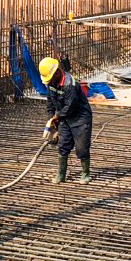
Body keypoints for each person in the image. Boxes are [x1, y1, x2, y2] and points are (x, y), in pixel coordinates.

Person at [39, 56, 93, 184]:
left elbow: (71, 106)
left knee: (81, 147)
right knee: (63, 145)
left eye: (50, 78)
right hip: (64, 118)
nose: (49, 81)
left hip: (80, 118)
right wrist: (51, 120)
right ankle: (61, 175)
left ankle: (86, 174)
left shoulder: (70, 84)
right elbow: (50, 103)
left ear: (57, 72)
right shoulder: (51, 83)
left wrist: (57, 117)